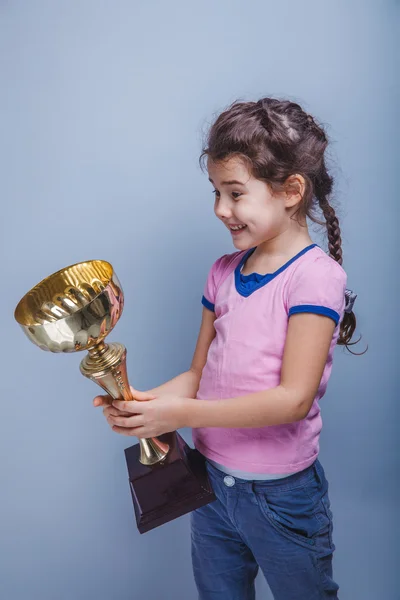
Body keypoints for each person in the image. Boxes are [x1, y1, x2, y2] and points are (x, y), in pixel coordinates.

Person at [93, 97, 362, 599]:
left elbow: (293, 400)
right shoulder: (222, 272)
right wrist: (143, 405)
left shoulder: (315, 279)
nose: (221, 209)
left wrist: (181, 412)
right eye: (216, 192)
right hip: (211, 485)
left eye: (235, 193)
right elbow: (200, 374)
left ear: (291, 190)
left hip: (283, 498)